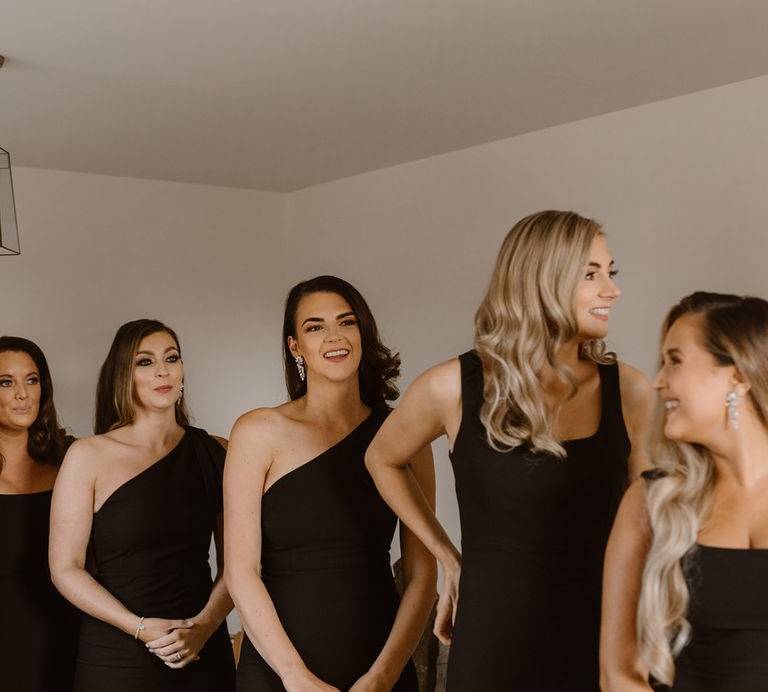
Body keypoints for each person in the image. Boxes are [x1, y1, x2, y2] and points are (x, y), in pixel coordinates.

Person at [365, 210, 653, 691]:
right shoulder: (452, 387)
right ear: (542, 281)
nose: (612, 290)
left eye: (611, 273)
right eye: (591, 275)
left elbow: (650, 527)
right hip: (493, 649)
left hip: (603, 642)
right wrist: (446, 557)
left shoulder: (631, 391)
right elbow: (381, 457)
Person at [225, 275, 437, 692]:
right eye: (315, 327)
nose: (334, 337)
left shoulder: (405, 434)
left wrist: (384, 676)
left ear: (363, 332)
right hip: (277, 672)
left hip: (379, 665)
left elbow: (421, 573)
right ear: (295, 347)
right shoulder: (258, 431)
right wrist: (294, 677)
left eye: (347, 322)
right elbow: (240, 571)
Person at [49, 319, 235, 691]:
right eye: (145, 361)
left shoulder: (215, 451)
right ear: (124, 374)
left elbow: (239, 562)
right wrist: (138, 628)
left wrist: (204, 627)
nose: (163, 370)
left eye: (172, 358)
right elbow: (65, 569)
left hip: (201, 651)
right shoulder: (87, 456)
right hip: (116, 655)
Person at [601, 292, 768, 692]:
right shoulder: (648, 503)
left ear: (738, 375)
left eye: (674, 361)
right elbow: (618, 674)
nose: (658, 381)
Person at [0, 335, 80, 691]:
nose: (22, 394)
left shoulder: (74, 460)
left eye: (31, 380)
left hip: (69, 636)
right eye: (6, 382)